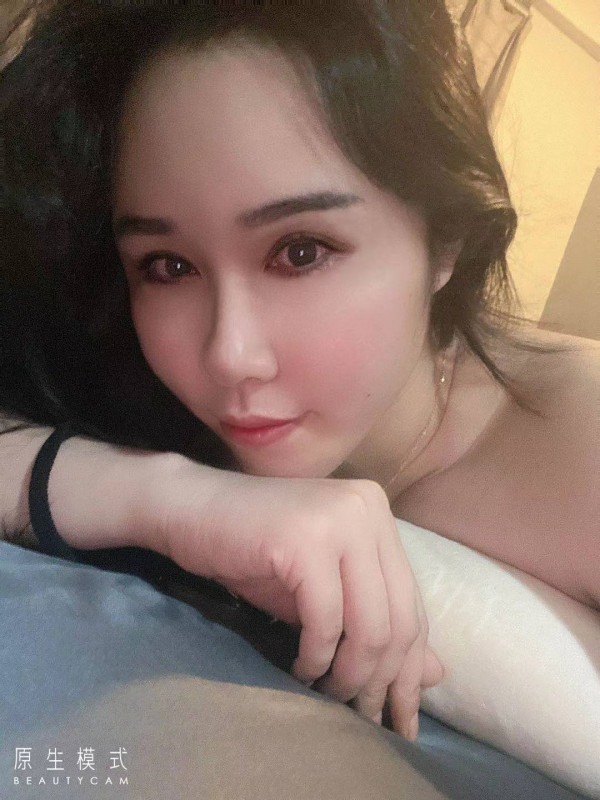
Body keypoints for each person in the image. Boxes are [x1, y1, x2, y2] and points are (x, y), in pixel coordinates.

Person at [0, 0, 597, 750]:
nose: (230, 355)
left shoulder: (578, 450)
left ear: (445, 239)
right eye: (169, 266)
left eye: (301, 252)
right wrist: (163, 497)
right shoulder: (129, 361)